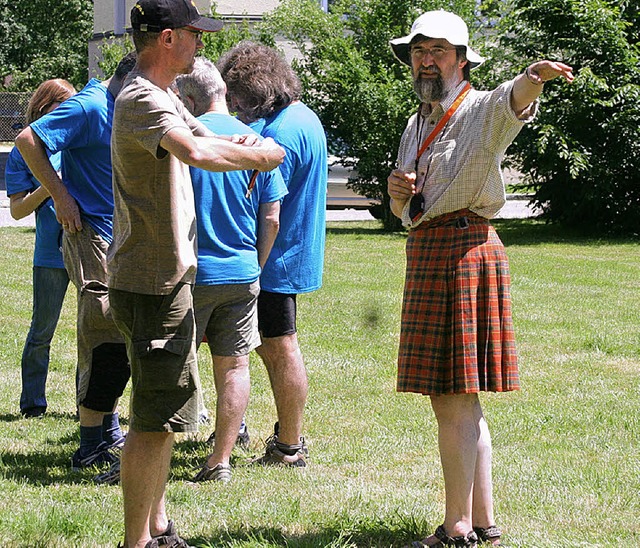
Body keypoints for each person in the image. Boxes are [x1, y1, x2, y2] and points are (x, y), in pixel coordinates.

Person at [386, 11, 574, 548]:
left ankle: (457, 528)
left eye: (439, 51)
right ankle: (483, 521)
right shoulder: (418, 118)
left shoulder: (480, 108)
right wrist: (400, 192)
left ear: (461, 60)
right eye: (420, 50)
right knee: (460, 399)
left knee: (452, 397)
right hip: (431, 248)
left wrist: (532, 78)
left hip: (464, 250)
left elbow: (510, 103)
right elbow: (409, 205)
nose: (427, 59)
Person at [107, 1, 285, 545]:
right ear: (166, 38)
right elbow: (196, 152)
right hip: (152, 281)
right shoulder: (140, 98)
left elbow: (210, 137)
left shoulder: (163, 96)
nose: (201, 43)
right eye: (193, 33)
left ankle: (158, 526)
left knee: (164, 414)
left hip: (169, 278)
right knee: (153, 422)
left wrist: (249, 142)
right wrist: (263, 157)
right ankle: (138, 540)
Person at [15, 53, 137, 471]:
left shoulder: (123, 103)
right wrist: (61, 195)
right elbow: (28, 141)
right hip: (92, 238)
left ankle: (106, 427)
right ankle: (92, 441)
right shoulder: (89, 105)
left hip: (119, 237)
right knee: (99, 331)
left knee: (113, 331)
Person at [174, 57, 288, 483]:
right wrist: (255, 266)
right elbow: (272, 217)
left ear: (187, 99)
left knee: (170, 366)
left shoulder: (184, 141)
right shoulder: (254, 142)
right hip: (241, 273)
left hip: (192, 274)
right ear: (223, 92)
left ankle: (153, 453)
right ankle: (219, 462)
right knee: (235, 367)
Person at [218, 41, 328, 467]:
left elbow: (267, 208)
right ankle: (254, 431)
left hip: (273, 261)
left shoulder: (278, 133)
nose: (237, 109)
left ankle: (289, 446)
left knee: (279, 349)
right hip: (291, 255)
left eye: (240, 99)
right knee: (265, 350)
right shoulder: (304, 116)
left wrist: (255, 267)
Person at [6, 78, 75, 418]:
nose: (69, 112)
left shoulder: (81, 139)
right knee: (41, 331)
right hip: (50, 253)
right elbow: (18, 211)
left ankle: (90, 405)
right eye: (63, 105)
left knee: (96, 330)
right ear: (43, 108)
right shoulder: (25, 148)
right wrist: (51, 187)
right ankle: (33, 403)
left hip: (90, 248)